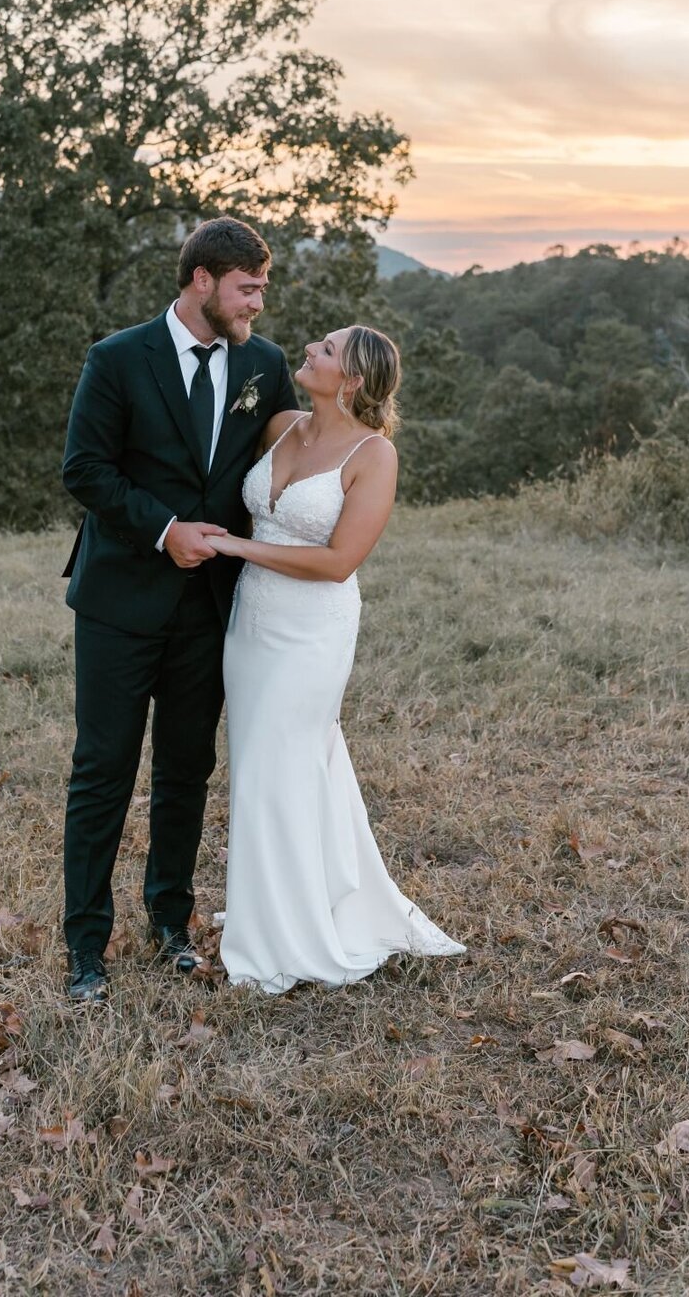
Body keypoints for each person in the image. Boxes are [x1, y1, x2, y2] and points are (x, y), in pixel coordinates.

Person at [59, 216, 295, 1001]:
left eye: (261, 287)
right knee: (102, 772)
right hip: (121, 600)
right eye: (247, 287)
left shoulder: (265, 363)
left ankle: (170, 922)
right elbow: (84, 470)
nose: (259, 303)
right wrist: (165, 532)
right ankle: (86, 948)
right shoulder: (119, 358)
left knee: (187, 770)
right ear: (203, 282)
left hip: (211, 608)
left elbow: (286, 462)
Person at [210, 324, 464, 993]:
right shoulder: (283, 426)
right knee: (264, 767)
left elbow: (338, 561)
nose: (311, 351)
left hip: (311, 631)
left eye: (326, 350)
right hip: (252, 626)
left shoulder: (373, 455)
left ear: (351, 380)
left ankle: (285, 936)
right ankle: (279, 903)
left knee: (278, 764)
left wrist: (237, 551)